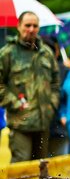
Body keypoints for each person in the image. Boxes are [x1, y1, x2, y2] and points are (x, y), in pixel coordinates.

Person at [0, 11, 60, 163]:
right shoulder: (8, 53)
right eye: (27, 25)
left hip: (43, 122)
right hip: (21, 122)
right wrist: (15, 103)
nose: (31, 29)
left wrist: (51, 105)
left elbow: (55, 83)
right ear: (19, 26)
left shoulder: (46, 53)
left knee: (41, 168)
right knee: (21, 165)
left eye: (35, 25)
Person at [41, 35, 70, 156]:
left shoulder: (66, 72)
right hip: (40, 127)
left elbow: (68, 98)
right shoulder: (34, 71)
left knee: (60, 165)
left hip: (60, 127)